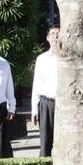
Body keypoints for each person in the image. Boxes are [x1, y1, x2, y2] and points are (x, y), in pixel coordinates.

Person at [31, 25, 59, 157]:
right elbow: (37, 84)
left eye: (58, 33)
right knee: (46, 141)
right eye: (52, 34)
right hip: (46, 104)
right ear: (48, 38)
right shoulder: (42, 59)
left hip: (65, 105)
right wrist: (34, 109)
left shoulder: (69, 58)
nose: (56, 37)